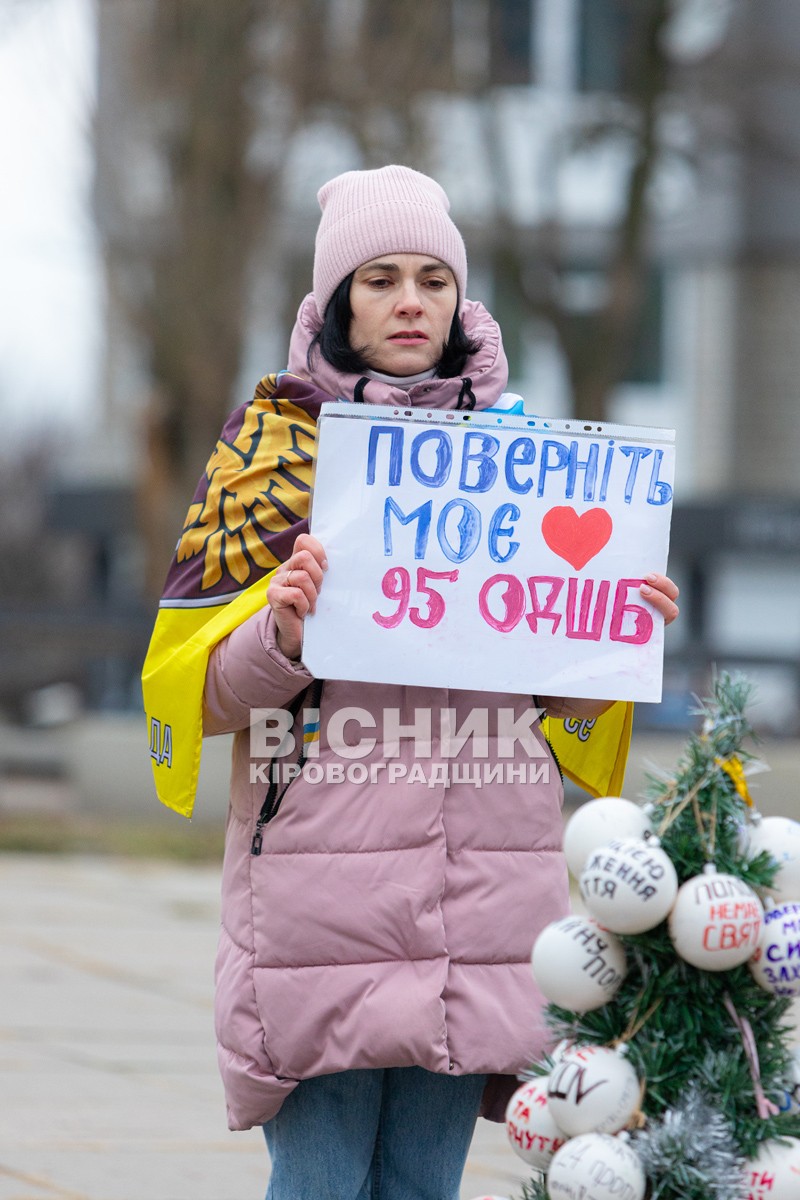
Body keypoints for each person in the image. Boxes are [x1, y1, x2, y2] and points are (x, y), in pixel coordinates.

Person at [195, 165, 680, 1199]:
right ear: (334, 303)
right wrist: (280, 628)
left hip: (478, 905)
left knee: (422, 1187)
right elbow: (199, 696)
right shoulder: (270, 457)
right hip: (322, 906)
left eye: (431, 278)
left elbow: (552, 707)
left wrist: (610, 634)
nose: (409, 300)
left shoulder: (525, 462)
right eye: (378, 279)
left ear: (461, 302)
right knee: (321, 1184)